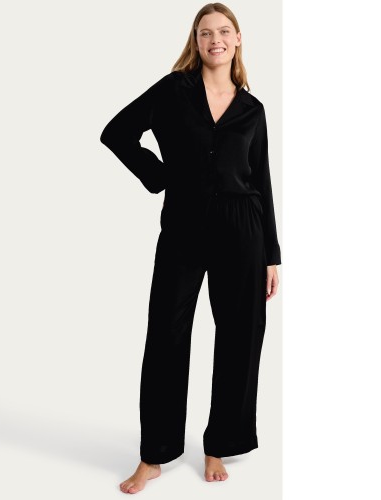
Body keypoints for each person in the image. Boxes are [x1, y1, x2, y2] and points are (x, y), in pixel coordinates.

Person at [100, 2, 281, 494]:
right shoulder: (172, 90)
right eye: (205, 32)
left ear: (237, 39)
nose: (215, 39)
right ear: (196, 42)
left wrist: (271, 254)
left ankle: (219, 444)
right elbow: (116, 133)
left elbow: (261, 181)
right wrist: (159, 176)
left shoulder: (252, 109)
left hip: (242, 229)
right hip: (183, 226)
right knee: (166, 334)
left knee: (240, 337)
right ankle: (154, 455)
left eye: (224, 31)